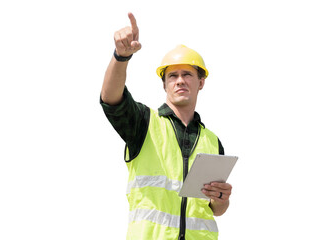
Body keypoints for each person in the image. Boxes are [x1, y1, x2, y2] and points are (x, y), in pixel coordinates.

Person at [100, 12, 233, 240]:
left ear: (201, 82)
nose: (180, 80)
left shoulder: (212, 141)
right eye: (173, 76)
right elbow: (111, 98)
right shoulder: (144, 122)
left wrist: (222, 200)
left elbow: (214, 210)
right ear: (164, 84)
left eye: (187, 74)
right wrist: (121, 57)